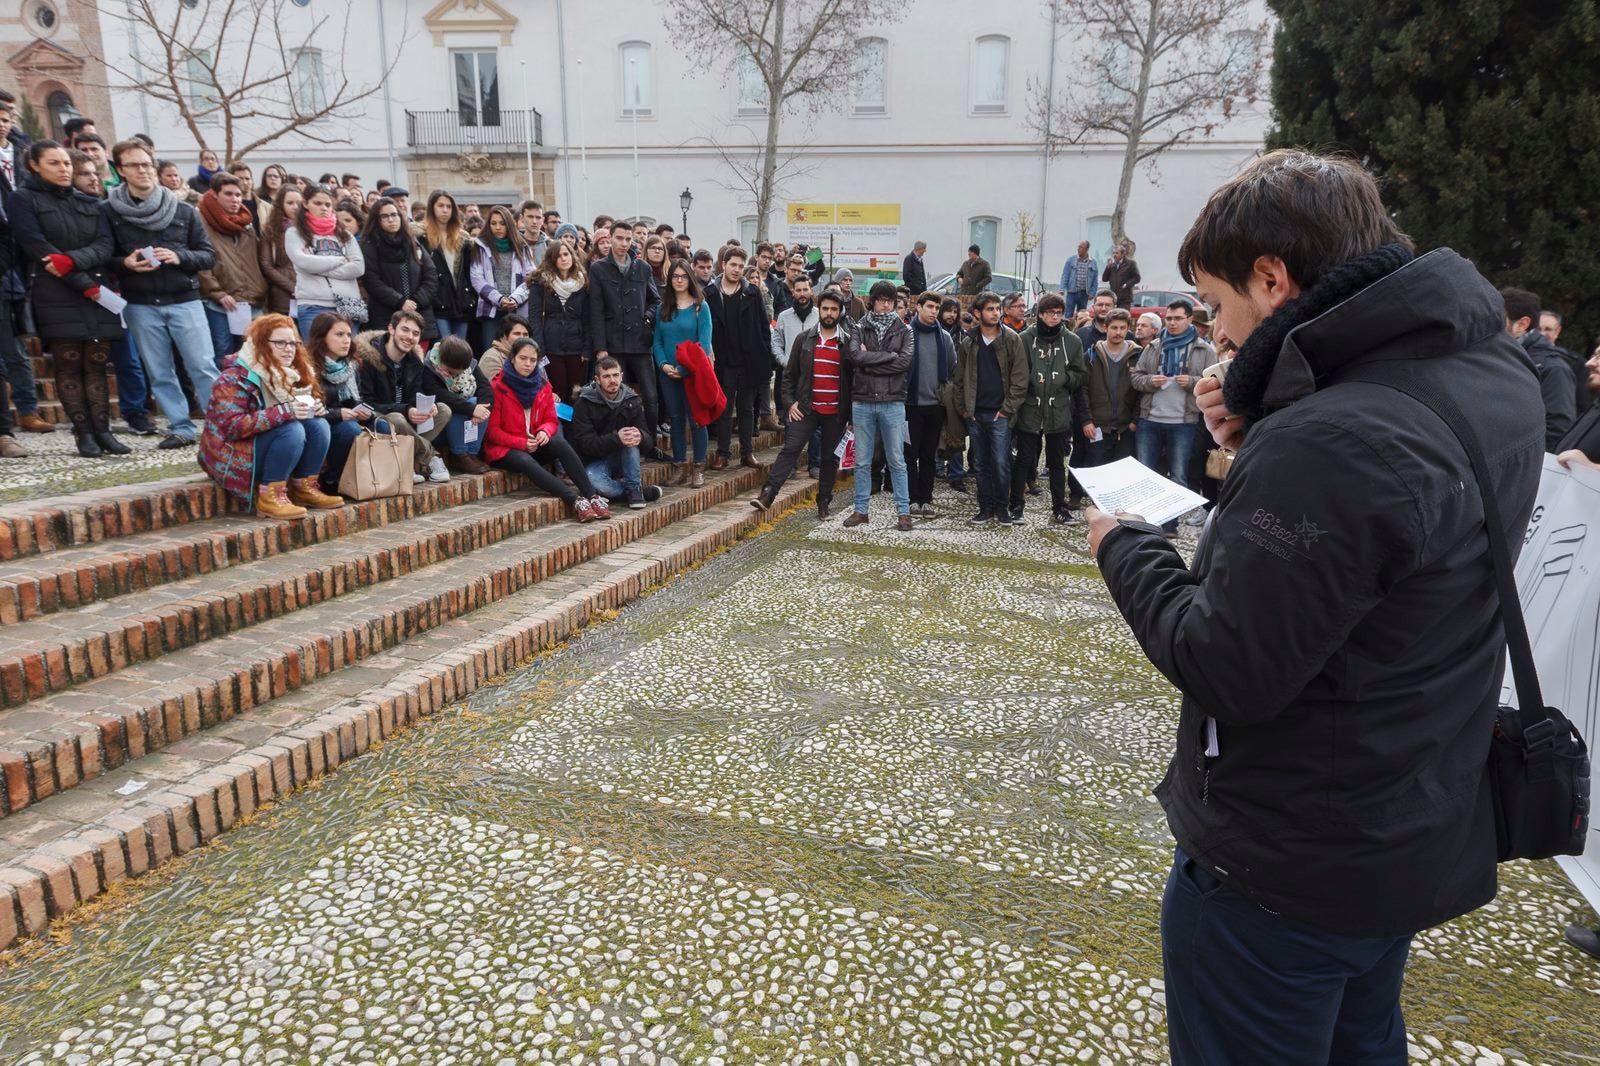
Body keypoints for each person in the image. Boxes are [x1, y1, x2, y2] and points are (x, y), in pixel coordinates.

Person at [1086, 149, 1545, 1066]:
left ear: (1273, 276)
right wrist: (1264, 434)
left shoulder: (1337, 437)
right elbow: (1382, 553)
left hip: (1287, 861)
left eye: (1218, 302)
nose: (1217, 331)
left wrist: (1126, 542)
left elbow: (1228, 663)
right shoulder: (1489, 374)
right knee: (1361, 1040)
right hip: (1405, 814)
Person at [6, 139, 130, 457]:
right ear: (34, 165)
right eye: (54, 163)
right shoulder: (23, 198)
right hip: (55, 291)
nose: (64, 169)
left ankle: (103, 431)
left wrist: (74, 263)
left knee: (98, 365)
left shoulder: (89, 202)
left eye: (66, 164)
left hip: (95, 289)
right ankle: (84, 433)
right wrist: (80, 281)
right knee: (69, 365)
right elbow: (37, 246)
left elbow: (105, 245)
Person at [103, 138, 219, 450]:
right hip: (140, 303)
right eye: (134, 165)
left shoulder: (184, 210)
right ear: (120, 170)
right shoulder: (109, 212)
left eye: (146, 164)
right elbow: (105, 257)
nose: (142, 171)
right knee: (159, 372)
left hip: (185, 299)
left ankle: (219, 427)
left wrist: (180, 256)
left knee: (203, 367)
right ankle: (180, 427)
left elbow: (208, 256)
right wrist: (124, 263)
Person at [198, 313, 343, 519]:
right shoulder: (234, 377)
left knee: (318, 425)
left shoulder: (294, 371)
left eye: (293, 343)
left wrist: (314, 407)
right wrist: (286, 411)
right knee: (291, 430)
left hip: (263, 443)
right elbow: (232, 426)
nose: (289, 349)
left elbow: (295, 413)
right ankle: (269, 497)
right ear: (260, 343)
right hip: (229, 455)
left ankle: (304, 488)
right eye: (280, 343)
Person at [752, 287, 854, 518]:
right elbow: (788, 376)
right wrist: (789, 404)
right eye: (825, 308)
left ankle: (823, 503)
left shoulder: (848, 344)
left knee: (829, 458)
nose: (829, 313)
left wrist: (851, 418)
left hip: (836, 414)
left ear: (840, 312)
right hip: (806, 409)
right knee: (790, 450)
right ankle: (767, 495)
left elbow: (854, 383)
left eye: (834, 309)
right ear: (820, 310)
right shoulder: (804, 339)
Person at [482, 337, 607, 521]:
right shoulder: (497, 387)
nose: (528, 364)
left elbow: (551, 420)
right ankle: (574, 500)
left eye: (533, 360)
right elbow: (492, 432)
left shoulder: (543, 385)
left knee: (558, 441)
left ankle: (592, 495)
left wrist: (544, 431)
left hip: (534, 443)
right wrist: (522, 443)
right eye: (523, 358)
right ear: (512, 358)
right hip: (506, 449)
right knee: (524, 460)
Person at [1129, 301, 1216, 536]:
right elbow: (1136, 377)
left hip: (1183, 422)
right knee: (1146, 472)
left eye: (1178, 318)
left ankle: (1169, 524)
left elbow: (1214, 382)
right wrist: (1150, 381)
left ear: (1189, 320)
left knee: (1178, 474)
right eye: (1169, 318)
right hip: (1150, 418)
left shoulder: (1203, 349)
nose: (1173, 323)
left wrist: (1192, 382)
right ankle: (1145, 521)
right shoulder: (1155, 346)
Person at [840, 280, 914, 530]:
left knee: (897, 459)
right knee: (862, 460)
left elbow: (903, 363)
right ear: (872, 301)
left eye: (889, 301)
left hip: (893, 402)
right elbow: (855, 357)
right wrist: (887, 357)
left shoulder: (905, 331)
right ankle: (861, 510)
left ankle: (903, 512)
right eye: (881, 300)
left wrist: (870, 361)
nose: (885, 305)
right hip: (862, 400)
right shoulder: (859, 327)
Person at [1010, 292, 1087, 524]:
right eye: (1050, 313)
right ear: (1041, 314)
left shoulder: (1072, 341)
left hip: (1058, 409)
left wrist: (1064, 379)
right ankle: (1016, 506)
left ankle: (1059, 508)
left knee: (1056, 463)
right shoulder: (1024, 338)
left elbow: (1080, 374)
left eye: (1059, 313)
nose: (1055, 317)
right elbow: (1017, 371)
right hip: (1030, 408)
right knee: (1024, 460)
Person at [953, 291, 1029, 525]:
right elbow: (959, 379)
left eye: (997, 308)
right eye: (990, 309)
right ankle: (985, 508)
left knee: (1001, 462)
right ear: (977, 313)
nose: (995, 313)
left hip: (1000, 414)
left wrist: (1006, 409)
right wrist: (965, 409)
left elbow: (1020, 378)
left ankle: (1001, 507)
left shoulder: (1011, 339)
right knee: (979, 464)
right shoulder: (969, 342)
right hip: (975, 414)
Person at [355, 309, 453, 484]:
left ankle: (405, 459)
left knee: (443, 410)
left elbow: (415, 392)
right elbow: (366, 402)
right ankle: (431, 457)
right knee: (397, 418)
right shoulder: (368, 358)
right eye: (405, 330)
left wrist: (426, 406)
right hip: (377, 419)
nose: (410, 336)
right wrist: (407, 410)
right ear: (391, 329)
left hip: (405, 418)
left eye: (415, 333)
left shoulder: (414, 360)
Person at [590, 218, 661, 452]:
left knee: (650, 397)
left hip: (640, 342)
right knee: (619, 398)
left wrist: (647, 318)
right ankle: (624, 445)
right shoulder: (598, 268)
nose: (623, 243)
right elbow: (596, 311)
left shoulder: (643, 268)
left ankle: (649, 444)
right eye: (619, 238)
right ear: (610, 239)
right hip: (613, 343)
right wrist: (601, 348)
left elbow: (655, 300)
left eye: (628, 239)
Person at [304, 310, 392, 494]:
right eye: (339, 334)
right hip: (322, 424)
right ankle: (333, 479)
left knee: (382, 424)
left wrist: (363, 412)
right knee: (349, 429)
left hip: (346, 419)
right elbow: (309, 410)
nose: (346, 340)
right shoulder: (308, 367)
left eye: (348, 335)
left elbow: (356, 399)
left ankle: (375, 479)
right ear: (321, 337)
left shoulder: (351, 365)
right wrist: (339, 414)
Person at [705, 244, 772, 470]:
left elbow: (764, 328)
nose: (736, 269)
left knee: (746, 409)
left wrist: (764, 358)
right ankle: (723, 453)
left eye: (741, 266)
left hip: (748, 361)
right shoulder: (710, 293)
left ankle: (747, 453)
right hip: (723, 362)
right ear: (723, 264)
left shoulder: (752, 293)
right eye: (733, 264)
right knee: (724, 409)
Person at [570, 355, 664, 508]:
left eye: (615, 375)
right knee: (595, 482)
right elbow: (584, 444)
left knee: (631, 435)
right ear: (597, 379)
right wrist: (616, 438)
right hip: (594, 460)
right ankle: (638, 492)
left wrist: (640, 436)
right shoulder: (584, 402)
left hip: (624, 457)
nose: (612, 380)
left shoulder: (632, 400)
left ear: (621, 376)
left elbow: (648, 443)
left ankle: (634, 488)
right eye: (606, 376)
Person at [652, 258, 712, 488]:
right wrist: (664, 365)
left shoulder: (700, 307)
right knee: (676, 420)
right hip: (668, 374)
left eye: (683, 276)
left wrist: (684, 368)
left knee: (697, 420)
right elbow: (657, 341)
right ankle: (679, 466)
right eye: (675, 276)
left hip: (693, 374)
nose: (679, 280)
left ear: (690, 278)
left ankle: (698, 467)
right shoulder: (662, 308)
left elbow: (704, 344)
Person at [197, 172, 266, 361]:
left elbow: (258, 260)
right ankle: (224, 391)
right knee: (223, 352)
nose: (235, 199)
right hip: (221, 302)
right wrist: (217, 292)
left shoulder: (246, 223)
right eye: (228, 194)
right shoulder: (202, 222)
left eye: (238, 194)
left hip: (251, 300)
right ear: (215, 194)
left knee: (252, 353)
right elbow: (201, 264)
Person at [284, 184, 364, 339]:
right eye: (318, 203)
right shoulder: (294, 233)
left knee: (347, 358)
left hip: (349, 303)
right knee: (316, 357)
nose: (324, 208)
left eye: (327, 204)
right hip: (313, 304)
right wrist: (340, 260)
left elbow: (358, 268)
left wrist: (317, 266)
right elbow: (304, 263)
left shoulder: (345, 234)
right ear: (306, 204)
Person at [1501, 287, 1576, 452]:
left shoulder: (1553, 368)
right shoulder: (1502, 356)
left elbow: (1557, 427)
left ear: (1522, 324)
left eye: (1500, 318)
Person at [904, 291, 955, 518]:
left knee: (928, 455)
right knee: (908, 455)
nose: (934, 311)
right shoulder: (906, 334)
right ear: (918, 307)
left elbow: (952, 369)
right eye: (930, 307)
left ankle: (925, 498)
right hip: (909, 405)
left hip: (935, 406)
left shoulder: (944, 337)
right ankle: (911, 498)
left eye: (937, 308)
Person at [360, 196, 439, 342]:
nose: (391, 219)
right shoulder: (369, 246)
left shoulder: (412, 242)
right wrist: (400, 302)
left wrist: (415, 301)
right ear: (376, 220)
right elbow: (372, 280)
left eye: (394, 215)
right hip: (386, 316)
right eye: (385, 216)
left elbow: (431, 275)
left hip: (418, 313)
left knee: (417, 361)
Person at [527, 239, 591, 405]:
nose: (564, 258)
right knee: (558, 390)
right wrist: (539, 347)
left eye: (566, 254)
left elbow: (587, 317)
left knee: (577, 392)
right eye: (559, 255)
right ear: (551, 259)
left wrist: (586, 348)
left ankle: (575, 429)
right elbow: (533, 317)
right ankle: (558, 430)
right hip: (551, 345)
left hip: (576, 346)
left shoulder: (583, 282)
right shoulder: (540, 282)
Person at [470, 205, 537, 351]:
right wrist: (499, 299)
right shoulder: (480, 246)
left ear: (509, 224)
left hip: (517, 310)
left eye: (502, 223)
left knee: (519, 352)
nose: (498, 227)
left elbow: (531, 277)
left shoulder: (521, 246)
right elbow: (477, 278)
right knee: (491, 353)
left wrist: (514, 299)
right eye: (493, 223)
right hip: (491, 310)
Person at [424, 334, 492, 474]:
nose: (460, 373)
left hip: (465, 422)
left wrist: (480, 409)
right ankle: (459, 454)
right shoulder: (429, 368)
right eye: (455, 372)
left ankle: (472, 452)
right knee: (460, 405)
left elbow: (486, 388)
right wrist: (471, 410)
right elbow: (442, 396)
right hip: (440, 424)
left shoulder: (467, 363)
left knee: (479, 404)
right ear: (445, 363)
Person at [1081, 308, 1140, 466]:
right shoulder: (1092, 355)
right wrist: (1086, 421)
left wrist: (1135, 419)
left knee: (1122, 471)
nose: (1118, 332)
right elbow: (1082, 390)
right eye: (1114, 327)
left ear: (1128, 329)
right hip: (1098, 425)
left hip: (1126, 427)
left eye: (1122, 328)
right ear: (1106, 327)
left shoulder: (1137, 356)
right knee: (1097, 469)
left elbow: (1142, 391)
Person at [422, 190, 476, 342]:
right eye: (440, 206)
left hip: (461, 301)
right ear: (432, 207)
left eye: (449, 206)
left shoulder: (463, 237)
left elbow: (466, 273)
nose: (445, 210)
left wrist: (470, 296)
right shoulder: (422, 236)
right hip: (438, 301)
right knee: (443, 349)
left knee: (460, 351)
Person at [258, 183, 301, 316]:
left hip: (309, 293)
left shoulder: (310, 229)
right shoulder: (272, 230)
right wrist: (291, 287)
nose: (295, 207)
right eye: (290, 203)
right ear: (281, 204)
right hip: (282, 295)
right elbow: (266, 265)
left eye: (299, 203)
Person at [478, 313, 530, 382]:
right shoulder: (492, 358)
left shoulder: (531, 356)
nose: (522, 338)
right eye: (517, 333)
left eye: (525, 334)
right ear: (505, 335)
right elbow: (493, 390)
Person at [1060, 240, 1099, 316]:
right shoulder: (1070, 260)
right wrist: (1062, 289)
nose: (1078, 249)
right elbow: (1065, 275)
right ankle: (1068, 327)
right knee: (1068, 314)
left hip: (1084, 294)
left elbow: (1095, 279)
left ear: (1086, 249)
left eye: (1081, 247)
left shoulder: (1093, 262)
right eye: (1078, 247)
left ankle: (1079, 327)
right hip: (1072, 293)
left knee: (1082, 315)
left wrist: (1093, 292)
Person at [1102, 243, 1141, 308]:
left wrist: (1127, 284)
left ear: (1123, 254)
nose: (1114, 255)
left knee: (1123, 317)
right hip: (1113, 298)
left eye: (1116, 253)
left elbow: (1137, 278)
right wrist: (1107, 267)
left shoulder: (1130, 264)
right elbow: (1104, 279)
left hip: (1125, 299)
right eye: (1113, 253)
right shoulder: (1112, 265)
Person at [255, 164, 287, 232]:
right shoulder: (258, 198)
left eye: (276, 176)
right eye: (269, 176)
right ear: (265, 179)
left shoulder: (287, 198)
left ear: (281, 179)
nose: (272, 179)